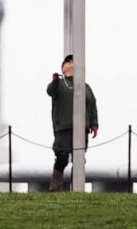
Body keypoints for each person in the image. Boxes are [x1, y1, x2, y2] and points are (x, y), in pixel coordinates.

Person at [46, 54, 99, 191]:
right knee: (62, 157)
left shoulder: (86, 87)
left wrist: (94, 124)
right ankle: (56, 187)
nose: (71, 63)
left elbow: (92, 105)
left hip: (82, 128)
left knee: (80, 158)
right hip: (63, 127)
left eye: (72, 61)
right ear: (63, 68)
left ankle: (77, 188)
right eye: (68, 61)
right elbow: (50, 91)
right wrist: (55, 80)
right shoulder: (60, 83)